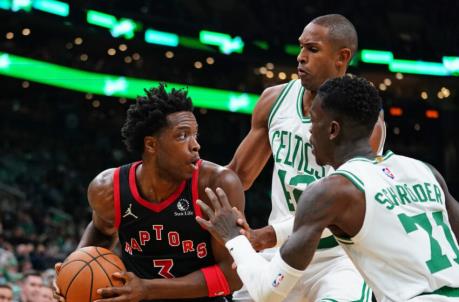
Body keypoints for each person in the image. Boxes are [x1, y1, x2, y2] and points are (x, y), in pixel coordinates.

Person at [197, 75, 459, 301]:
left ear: (333, 130)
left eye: (313, 121)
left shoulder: (333, 189)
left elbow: (268, 293)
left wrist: (234, 238)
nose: (309, 131)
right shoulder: (426, 171)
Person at [227, 14, 384, 301]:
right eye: (300, 47)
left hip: (338, 258)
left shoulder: (364, 120)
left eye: (312, 49)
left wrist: (263, 236)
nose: (300, 57)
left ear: (342, 57)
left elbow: (343, 204)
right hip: (279, 252)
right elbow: (238, 176)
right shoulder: (274, 100)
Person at [55, 84, 245, 301]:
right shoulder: (108, 188)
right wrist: (71, 271)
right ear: (151, 144)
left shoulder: (216, 184)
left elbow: (232, 275)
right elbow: (101, 232)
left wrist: (148, 289)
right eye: (182, 136)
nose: (196, 146)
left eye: (195, 135)